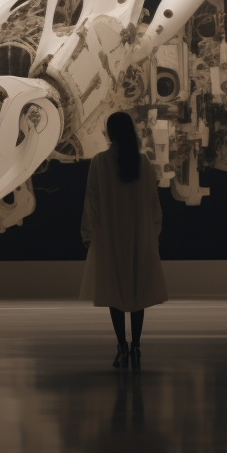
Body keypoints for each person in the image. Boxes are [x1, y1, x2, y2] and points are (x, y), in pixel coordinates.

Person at [80, 112, 168, 369]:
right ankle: (136, 344)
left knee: (114, 289)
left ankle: (122, 344)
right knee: (137, 288)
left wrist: (88, 233)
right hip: (139, 234)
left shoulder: (99, 162)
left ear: (110, 133)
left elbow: (92, 201)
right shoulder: (143, 163)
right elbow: (154, 203)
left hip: (111, 234)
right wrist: (153, 232)